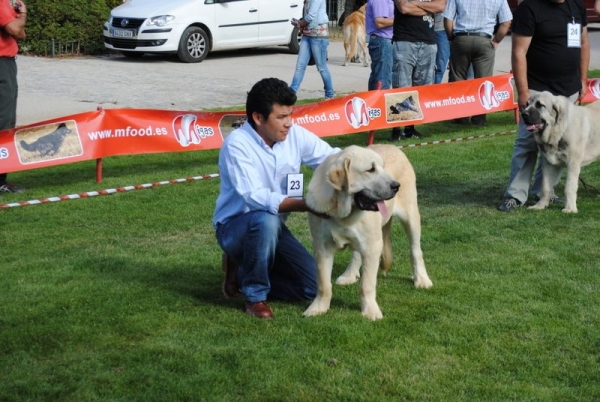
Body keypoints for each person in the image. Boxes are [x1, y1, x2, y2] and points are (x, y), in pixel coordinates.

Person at [213, 77, 340, 319]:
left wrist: (364, 162)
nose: (289, 124)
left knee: (312, 287)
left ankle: (240, 273)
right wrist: (310, 206)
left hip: (273, 229)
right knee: (265, 220)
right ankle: (255, 296)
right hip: (234, 228)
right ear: (258, 118)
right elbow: (255, 198)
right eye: (281, 117)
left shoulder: (296, 135)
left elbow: (331, 158)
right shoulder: (236, 145)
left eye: (290, 115)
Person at [498, 0, 589, 212]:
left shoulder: (576, 6)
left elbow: (583, 43)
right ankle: (515, 196)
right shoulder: (529, 8)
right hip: (538, 91)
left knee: (557, 145)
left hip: (568, 92)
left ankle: (545, 193)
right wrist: (524, 92)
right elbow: (519, 51)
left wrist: (583, 80)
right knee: (527, 143)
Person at [443, 0, 512, 126]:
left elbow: (448, 18)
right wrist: (496, 40)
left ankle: (460, 117)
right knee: (484, 82)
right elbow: (506, 21)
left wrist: (451, 38)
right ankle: (479, 119)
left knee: (458, 79)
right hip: (484, 39)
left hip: (462, 38)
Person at [390, 0, 446, 141]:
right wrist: (428, 8)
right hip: (404, 40)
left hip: (428, 42)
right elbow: (403, 8)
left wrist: (414, 5)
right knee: (401, 88)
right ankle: (396, 129)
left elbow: (440, 6)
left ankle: (410, 128)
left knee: (420, 89)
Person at [0, 0, 26, 193]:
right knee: (4, 123)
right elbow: (15, 30)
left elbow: (20, 34)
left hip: (6, 64)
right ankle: (0, 182)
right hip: (2, 66)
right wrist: (23, 15)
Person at [290, 0, 334, 100]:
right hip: (307, 34)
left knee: (321, 67)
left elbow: (311, 16)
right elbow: (306, 14)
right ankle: (292, 93)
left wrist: (299, 23)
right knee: (300, 65)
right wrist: (300, 24)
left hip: (318, 35)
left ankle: (329, 95)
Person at [366, 0, 394, 90]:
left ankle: (373, 102)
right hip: (382, 41)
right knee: (382, 80)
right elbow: (380, 22)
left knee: (379, 77)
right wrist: (402, 20)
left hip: (384, 41)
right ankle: (379, 103)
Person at [434, 13, 450, 84]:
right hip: (441, 28)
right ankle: (433, 92)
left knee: (458, 69)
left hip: (460, 30)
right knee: (440, 67)